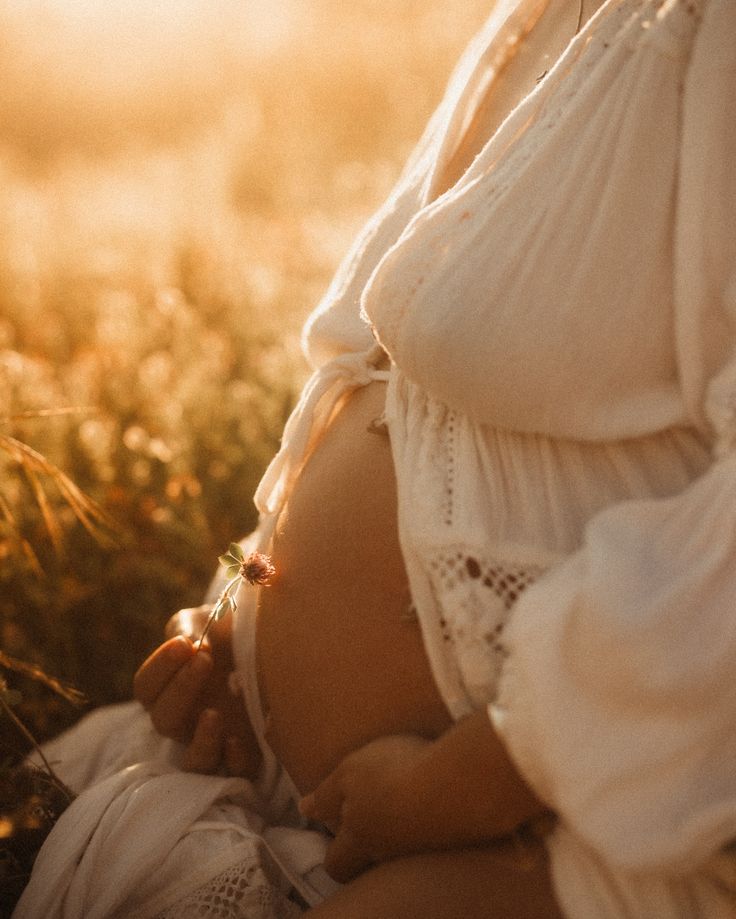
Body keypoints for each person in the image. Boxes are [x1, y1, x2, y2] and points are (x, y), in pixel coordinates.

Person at [15, 0, 736, 915]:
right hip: (327, 789)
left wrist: (470, 779)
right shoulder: (542, 21)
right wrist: (234, 613)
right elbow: (369, 398)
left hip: (568, 834)